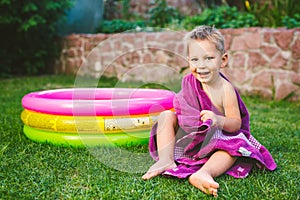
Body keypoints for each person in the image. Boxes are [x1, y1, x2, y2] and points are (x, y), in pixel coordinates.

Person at [142, 25, 276, 197]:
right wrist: (186, 119)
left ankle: (205, 173)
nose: (201, 66)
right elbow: (185, 110)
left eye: (209, 58)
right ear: (188, 60)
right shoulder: (190, 81)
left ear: (223, 59)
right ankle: (166, 160)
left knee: (235, 147)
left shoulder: (225, 89)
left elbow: (236, 124)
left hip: (218, 137)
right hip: (192, 135)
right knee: (166, 115)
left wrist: (218, 120)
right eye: (195, 60)